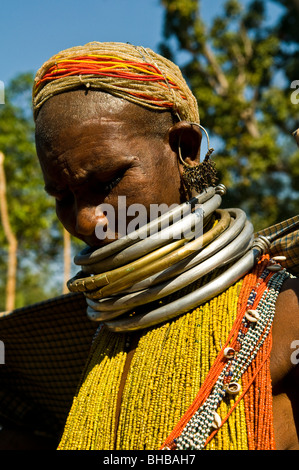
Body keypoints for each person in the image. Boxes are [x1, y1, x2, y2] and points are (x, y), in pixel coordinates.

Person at [0, 41, 299, 451]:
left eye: (107, 182)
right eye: (62, 196)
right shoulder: (59, 353)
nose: (86, 220)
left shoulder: (284, 315)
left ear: (185, 149)